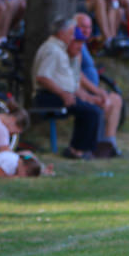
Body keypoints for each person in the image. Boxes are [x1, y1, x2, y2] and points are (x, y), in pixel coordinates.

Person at [33, 18, 103, 159]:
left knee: (91, 109)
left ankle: (83, 150)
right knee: (89, 111)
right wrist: (63, 94)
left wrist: (89, 97)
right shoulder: (52, 50)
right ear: (61, 33)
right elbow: (42, 77)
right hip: (48, 96)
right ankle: (77, 150)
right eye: (71, 33)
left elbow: (70, 82)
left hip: (58, 94)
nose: (72, 37)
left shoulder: (60, 50)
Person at [75, 13, 124, 156]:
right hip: (81, 91)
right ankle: (98, 146)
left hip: (91, 89)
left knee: (116, 100)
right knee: (105, 101)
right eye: (82, 27)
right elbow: (76, 74)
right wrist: (96, 91)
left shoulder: (84, 44)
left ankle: (109, 144)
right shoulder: (75, 45)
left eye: (89, 27)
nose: (86, 30)